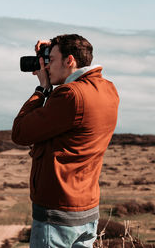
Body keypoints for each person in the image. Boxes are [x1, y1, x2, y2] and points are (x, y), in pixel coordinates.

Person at [12, 34, 119, 248]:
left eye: (51, 60)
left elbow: (21, 132)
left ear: (69, 60)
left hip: (58, 214)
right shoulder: (108, 89)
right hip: (86, 208)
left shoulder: (71, 95)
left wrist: (42, 89)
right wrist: (49, 54)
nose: (47, 66)